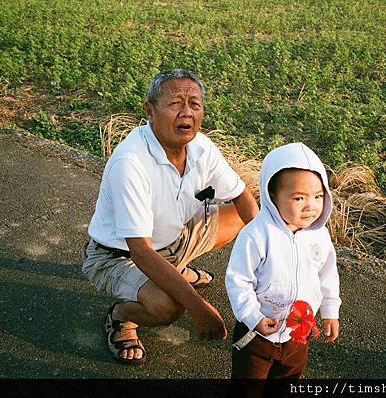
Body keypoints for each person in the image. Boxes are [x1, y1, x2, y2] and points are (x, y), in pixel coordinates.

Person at [81, 69, 258, 365]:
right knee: (170, 306)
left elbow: (241, 197)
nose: (186, 112)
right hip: (118, 256)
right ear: (150, 111)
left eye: (195, 104)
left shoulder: (201, 147)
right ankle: (120, 316)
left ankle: (177, 270)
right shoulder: (131, 162)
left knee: (247, 218)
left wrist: (272, 257)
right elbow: (140, 250)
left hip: (174, 239)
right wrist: (197, 305)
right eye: (175, 103)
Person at [225, 142, 341, 385]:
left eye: (318, 196)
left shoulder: (319, 235)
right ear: (272, 196)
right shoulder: (257, 235)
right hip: (257, 332)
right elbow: (238, 279)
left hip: (298, 332)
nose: (311, 206)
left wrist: (330, 312)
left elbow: (327, 275)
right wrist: (252, 316)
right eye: (299, 198)